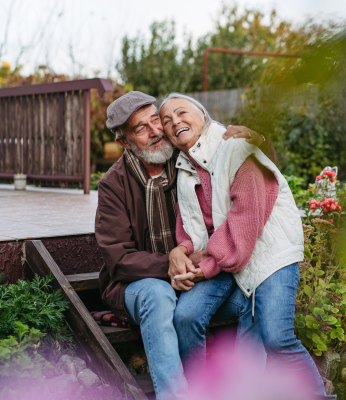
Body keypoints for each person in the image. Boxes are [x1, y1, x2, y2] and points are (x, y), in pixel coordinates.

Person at [95, 91, 273, 400]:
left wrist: (259, 140)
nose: (154, 132)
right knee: (158, 293)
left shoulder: (187, 156)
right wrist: (172, 262)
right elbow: (119, 258)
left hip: (201, 276)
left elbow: (244, 164)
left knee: (256, 295)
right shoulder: (113, 184)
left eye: (156, 121)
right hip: (138, 283)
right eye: (141, 128)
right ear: (124, 142)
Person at [160, 93, 335, 399]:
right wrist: (182, 252)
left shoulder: (239, 148)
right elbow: (188, 224)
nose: (175, 122)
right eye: (166, 120)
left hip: (267, 253)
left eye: (181, 112)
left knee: (277, 337)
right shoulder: (183, 168)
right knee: (186, 317)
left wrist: (203, 268)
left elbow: (244, 222)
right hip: (225, 258)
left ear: (203, 116)